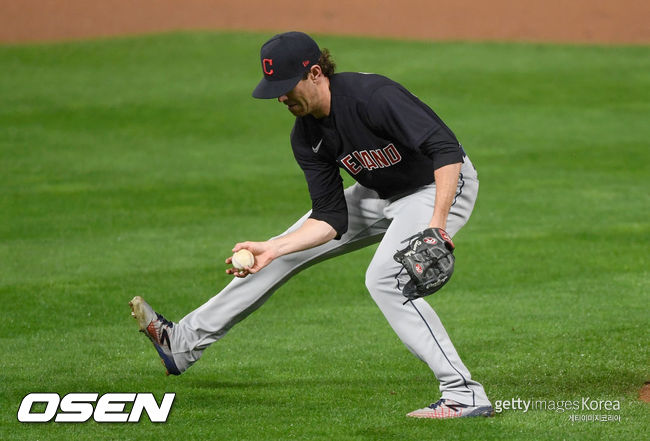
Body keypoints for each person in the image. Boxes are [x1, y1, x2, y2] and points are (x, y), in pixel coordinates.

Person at [129, 31, 493, 419]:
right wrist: (276, 248)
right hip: (378, 192)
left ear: (316, 73)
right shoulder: (306, 136)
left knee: (385, 279)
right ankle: (182, 343)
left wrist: (436, 225)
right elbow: (331, 218)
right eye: (274, 90)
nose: (281, 98)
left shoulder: (373, 97)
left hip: (437, 186)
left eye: (286, 87)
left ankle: (463, 393)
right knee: (274, 252)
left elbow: (445, 149)